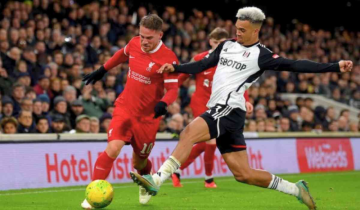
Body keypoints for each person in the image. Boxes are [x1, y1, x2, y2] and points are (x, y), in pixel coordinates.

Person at [130, 7, 353, 210]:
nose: (237, 33)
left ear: (255, 31)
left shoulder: (261, 55)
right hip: (228, 114)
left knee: (188, 132)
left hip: (228, 108)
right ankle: (296, 189)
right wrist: (176, 67)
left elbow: (294, 65)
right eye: (236, 28)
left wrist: (334, 67)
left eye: (242, 30)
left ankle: (156, 179)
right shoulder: (226, 45)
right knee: (243, 174)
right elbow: (202, 65)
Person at [81, 14, 179, 208]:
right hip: (125, 108)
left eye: (149, 38)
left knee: (140, 163)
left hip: (148, 118)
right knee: (113, 148)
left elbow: (173, 89)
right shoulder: (134, 43)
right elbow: (122, 54)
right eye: (142, 36)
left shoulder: (168, 58)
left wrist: (164, 103)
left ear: (160, 35)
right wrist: (103, 69)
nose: (144, 41)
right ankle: (92, 196)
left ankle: (146, 182)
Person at [172, 27, 253, 188]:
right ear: (210, 41)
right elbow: (182, 76)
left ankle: (176, 170)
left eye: (221, 43)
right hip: (201, 103)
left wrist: (246, 99)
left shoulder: (231, 61)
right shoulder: (201, 58)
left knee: (205, 144)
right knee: (211, 141)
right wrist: (171, 91)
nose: (218, 46)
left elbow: (239, 83)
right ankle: (208, 179)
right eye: (215, 42)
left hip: (220, 105)